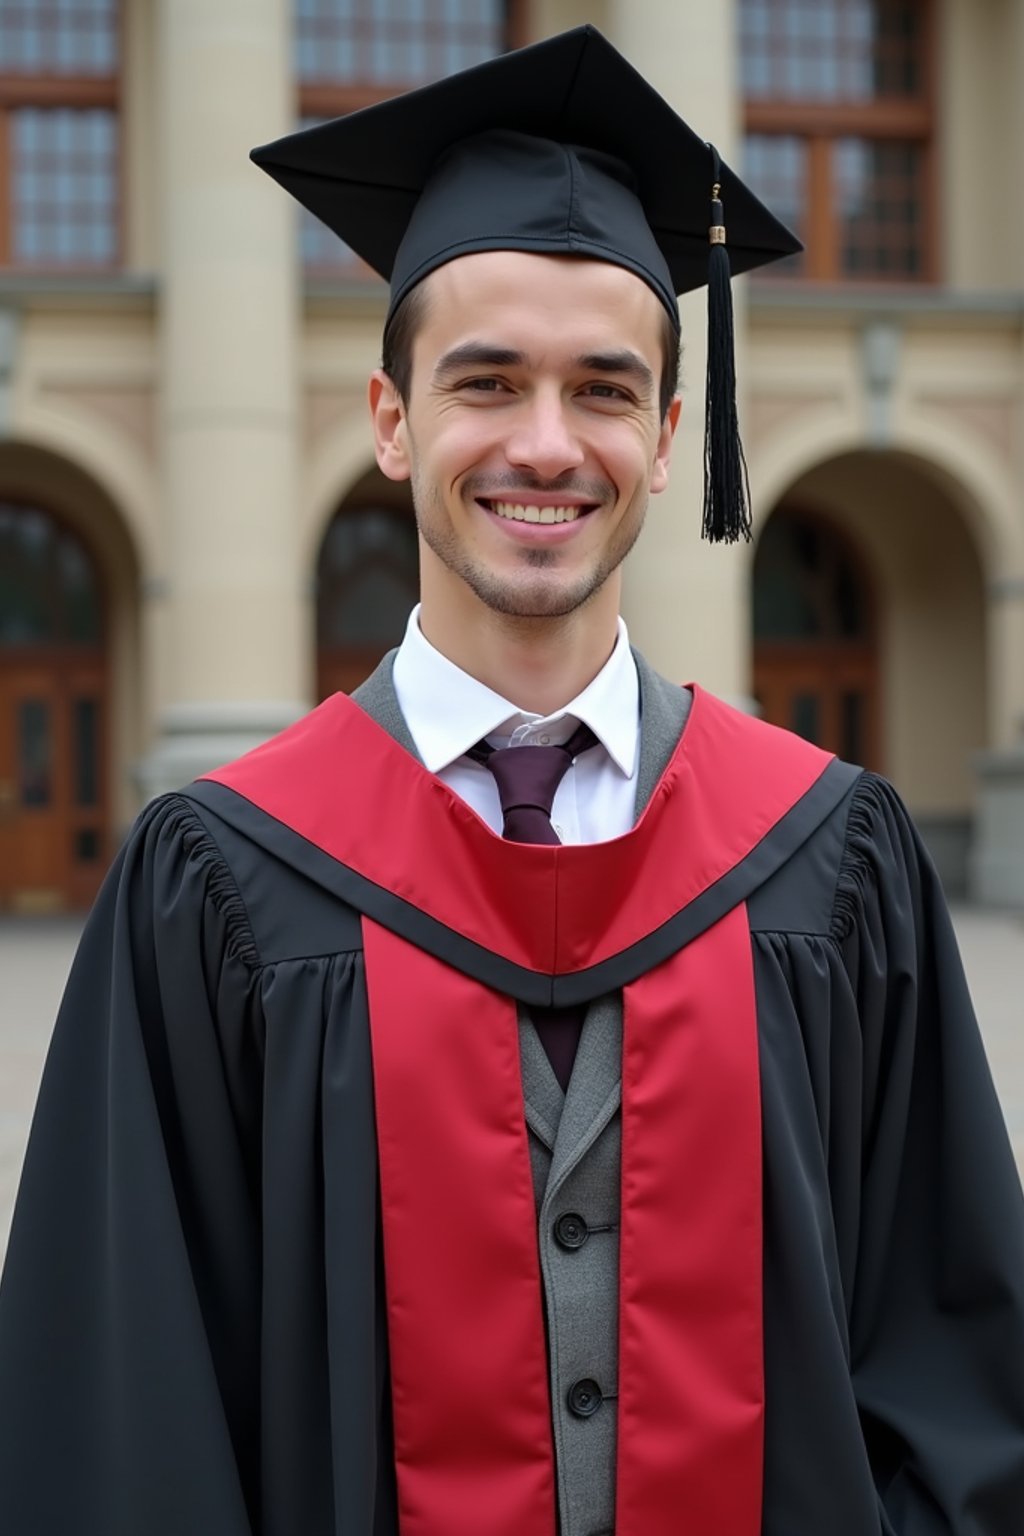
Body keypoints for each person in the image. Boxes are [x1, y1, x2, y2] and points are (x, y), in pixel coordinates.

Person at [1, 25, 1022, 1536]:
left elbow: (954, 1393)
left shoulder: (834, 863)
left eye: (604, 392)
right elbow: (123, 1411)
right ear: (393, 420)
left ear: (670, 439)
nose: (547, 445)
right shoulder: (214, 885)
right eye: (487, 382)